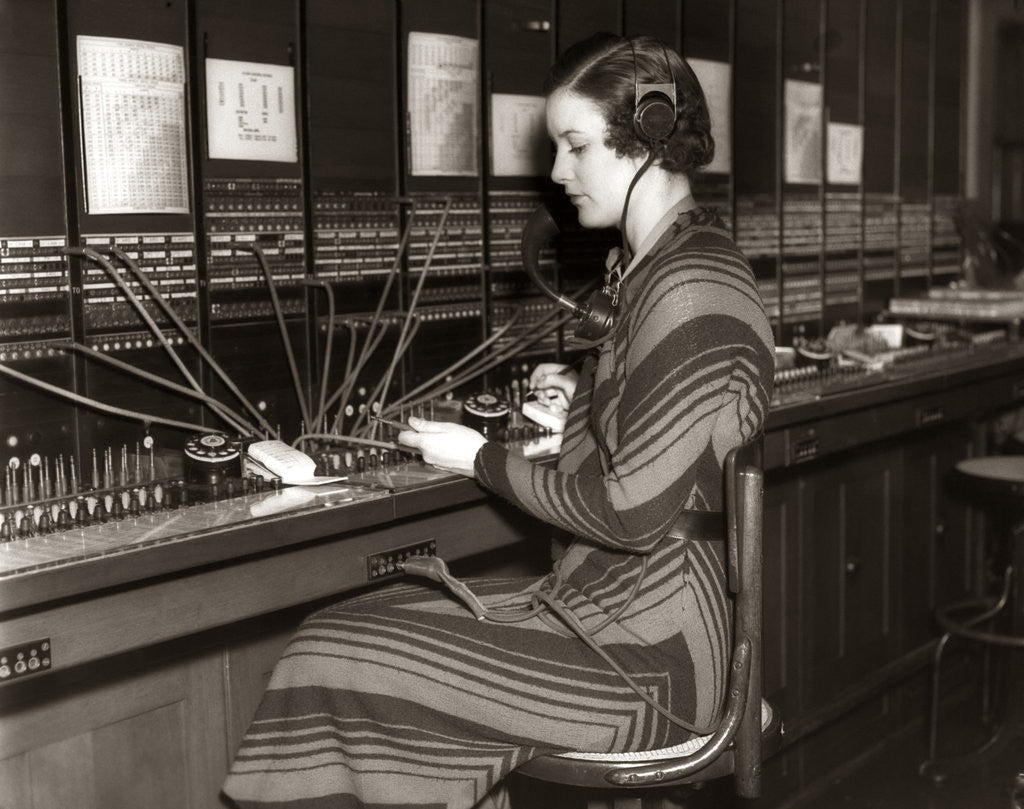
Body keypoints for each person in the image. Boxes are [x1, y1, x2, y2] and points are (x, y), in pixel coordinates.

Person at [223, 32, 775, 809]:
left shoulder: (689, 288)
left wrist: (479, 455)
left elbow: (628, 511)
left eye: (575, 145)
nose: (556, 172)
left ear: (648, 138)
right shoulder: (657, 269)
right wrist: (583, 389)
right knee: (360, 621)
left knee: (332, 651)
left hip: (653, 659)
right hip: (610, 610)